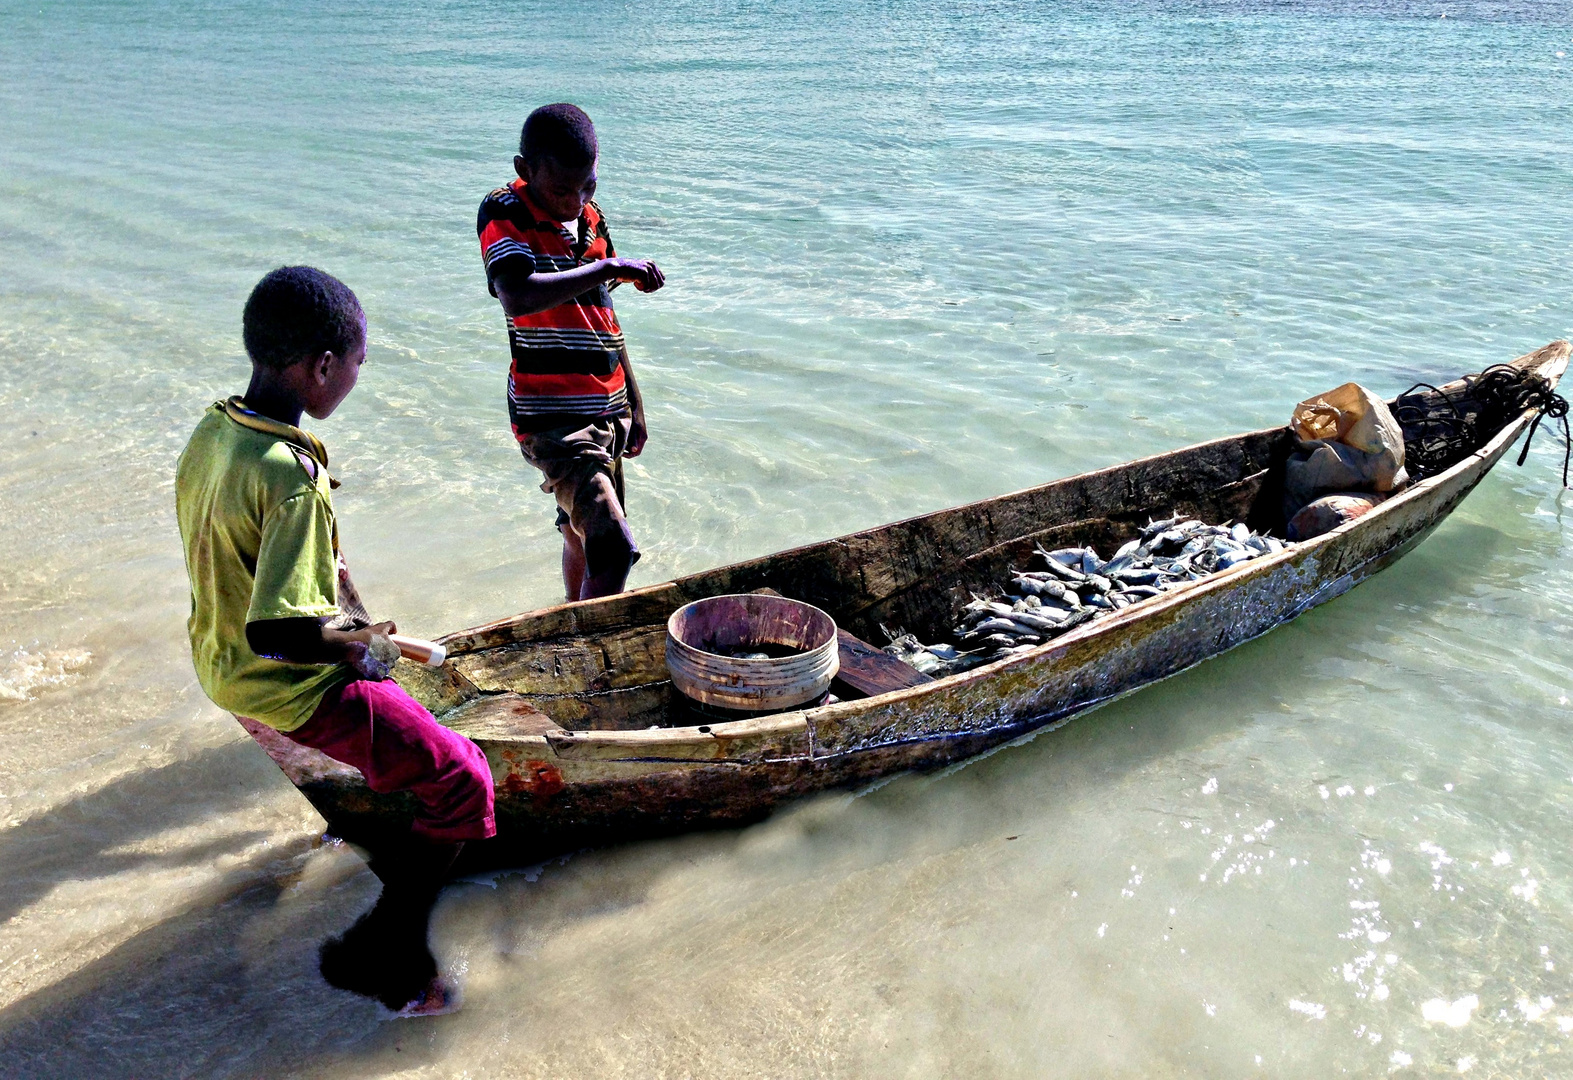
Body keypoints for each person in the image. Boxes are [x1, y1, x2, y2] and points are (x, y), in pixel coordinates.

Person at [174, 266, 495, 1016]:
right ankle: (392, 958)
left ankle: (357, 821)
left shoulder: (218, 427)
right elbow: (280, 630)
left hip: (218, 662)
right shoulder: (291, 477)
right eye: (355, 361)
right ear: (322, 366)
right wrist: (356, 638)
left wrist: (343, 611)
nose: (357, 373)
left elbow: (241, 558)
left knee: (395, 714)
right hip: (280, 677)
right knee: (464, 781)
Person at [477, 102, 666, 601]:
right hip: (554, 418)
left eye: (588, 186)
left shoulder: (592, 219)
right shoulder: (505, 210)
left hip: (609, 407)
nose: (576, 200)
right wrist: (609, 268)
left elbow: (603, 316)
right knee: (614, 547)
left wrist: (637, 404)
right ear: (525, 170)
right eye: (562, 189)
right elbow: (516, 294)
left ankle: (568, 627)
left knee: (580, 536)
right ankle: (587, 647)